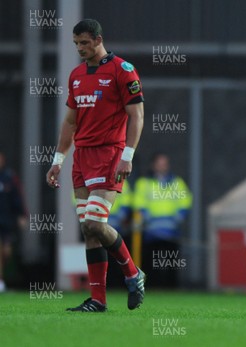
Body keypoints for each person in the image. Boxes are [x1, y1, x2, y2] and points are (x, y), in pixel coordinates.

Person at [45, 19, 145, 312]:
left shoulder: (122, 71)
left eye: (84, 43)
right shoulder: (76, 75)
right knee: (88, 231)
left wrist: (128, 154)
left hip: (109, 154)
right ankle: (98, 300)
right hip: (82, 158)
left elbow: (137, 115)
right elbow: (70, 121)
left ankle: (132, 273)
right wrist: (58, 160)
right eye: (76, 44)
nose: (80, 49)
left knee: (95, 223)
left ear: (99, 40)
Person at [133, 153, 192, 287]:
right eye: (159, 164)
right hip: (151, 232)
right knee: (150, 263)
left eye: (164, 164)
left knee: (172, 263)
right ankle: (152, 288)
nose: (162, 167)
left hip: (171, 231)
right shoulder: (144, 183)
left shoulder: (177, 182)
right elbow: (138, 202)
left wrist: (178, 217)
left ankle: (172, 289)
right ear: (153, 165)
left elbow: (185, 201)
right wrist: (146, 217)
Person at [0, 151, 27, 292]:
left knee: (6, 252)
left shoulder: (9, 177)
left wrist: (22, 215)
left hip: (6, 221)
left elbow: (18, 197)